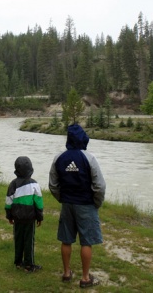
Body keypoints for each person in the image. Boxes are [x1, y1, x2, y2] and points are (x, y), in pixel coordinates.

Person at [48, 124, 106, 289]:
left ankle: (66, 273)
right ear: (83, 139)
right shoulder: (89, 158)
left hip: (67, 204)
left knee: (66, 240)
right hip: (86, 204)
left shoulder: (58, 158)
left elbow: (53, 184)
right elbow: (99, 186)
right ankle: (86, 278)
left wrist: (62, 199)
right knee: (86, 242)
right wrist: (97, 202)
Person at [5, 156, 44, 272]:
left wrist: (9, 216)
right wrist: (39, 216)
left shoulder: (13, 184)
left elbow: (8, 201)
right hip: (29, 218)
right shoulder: (34, 184)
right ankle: (29, 265)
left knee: (18, 239)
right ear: (31, 169)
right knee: (29, 241)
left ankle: (18, 262)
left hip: (17, 218)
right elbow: (38, 202)